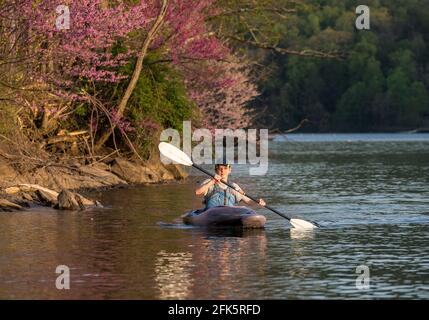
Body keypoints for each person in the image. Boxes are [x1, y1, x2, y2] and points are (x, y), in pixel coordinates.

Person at [195, 163, 266, 209]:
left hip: (229, 214)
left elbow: (248, 201)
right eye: (220, 169)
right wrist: (213, 181)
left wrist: (257, 202)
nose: (222, 171)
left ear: (229, 170)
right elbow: (198, 192)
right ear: (216, 171)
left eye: (225, 168)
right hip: (211, 214)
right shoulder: (209, 182)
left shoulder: (234, 186)